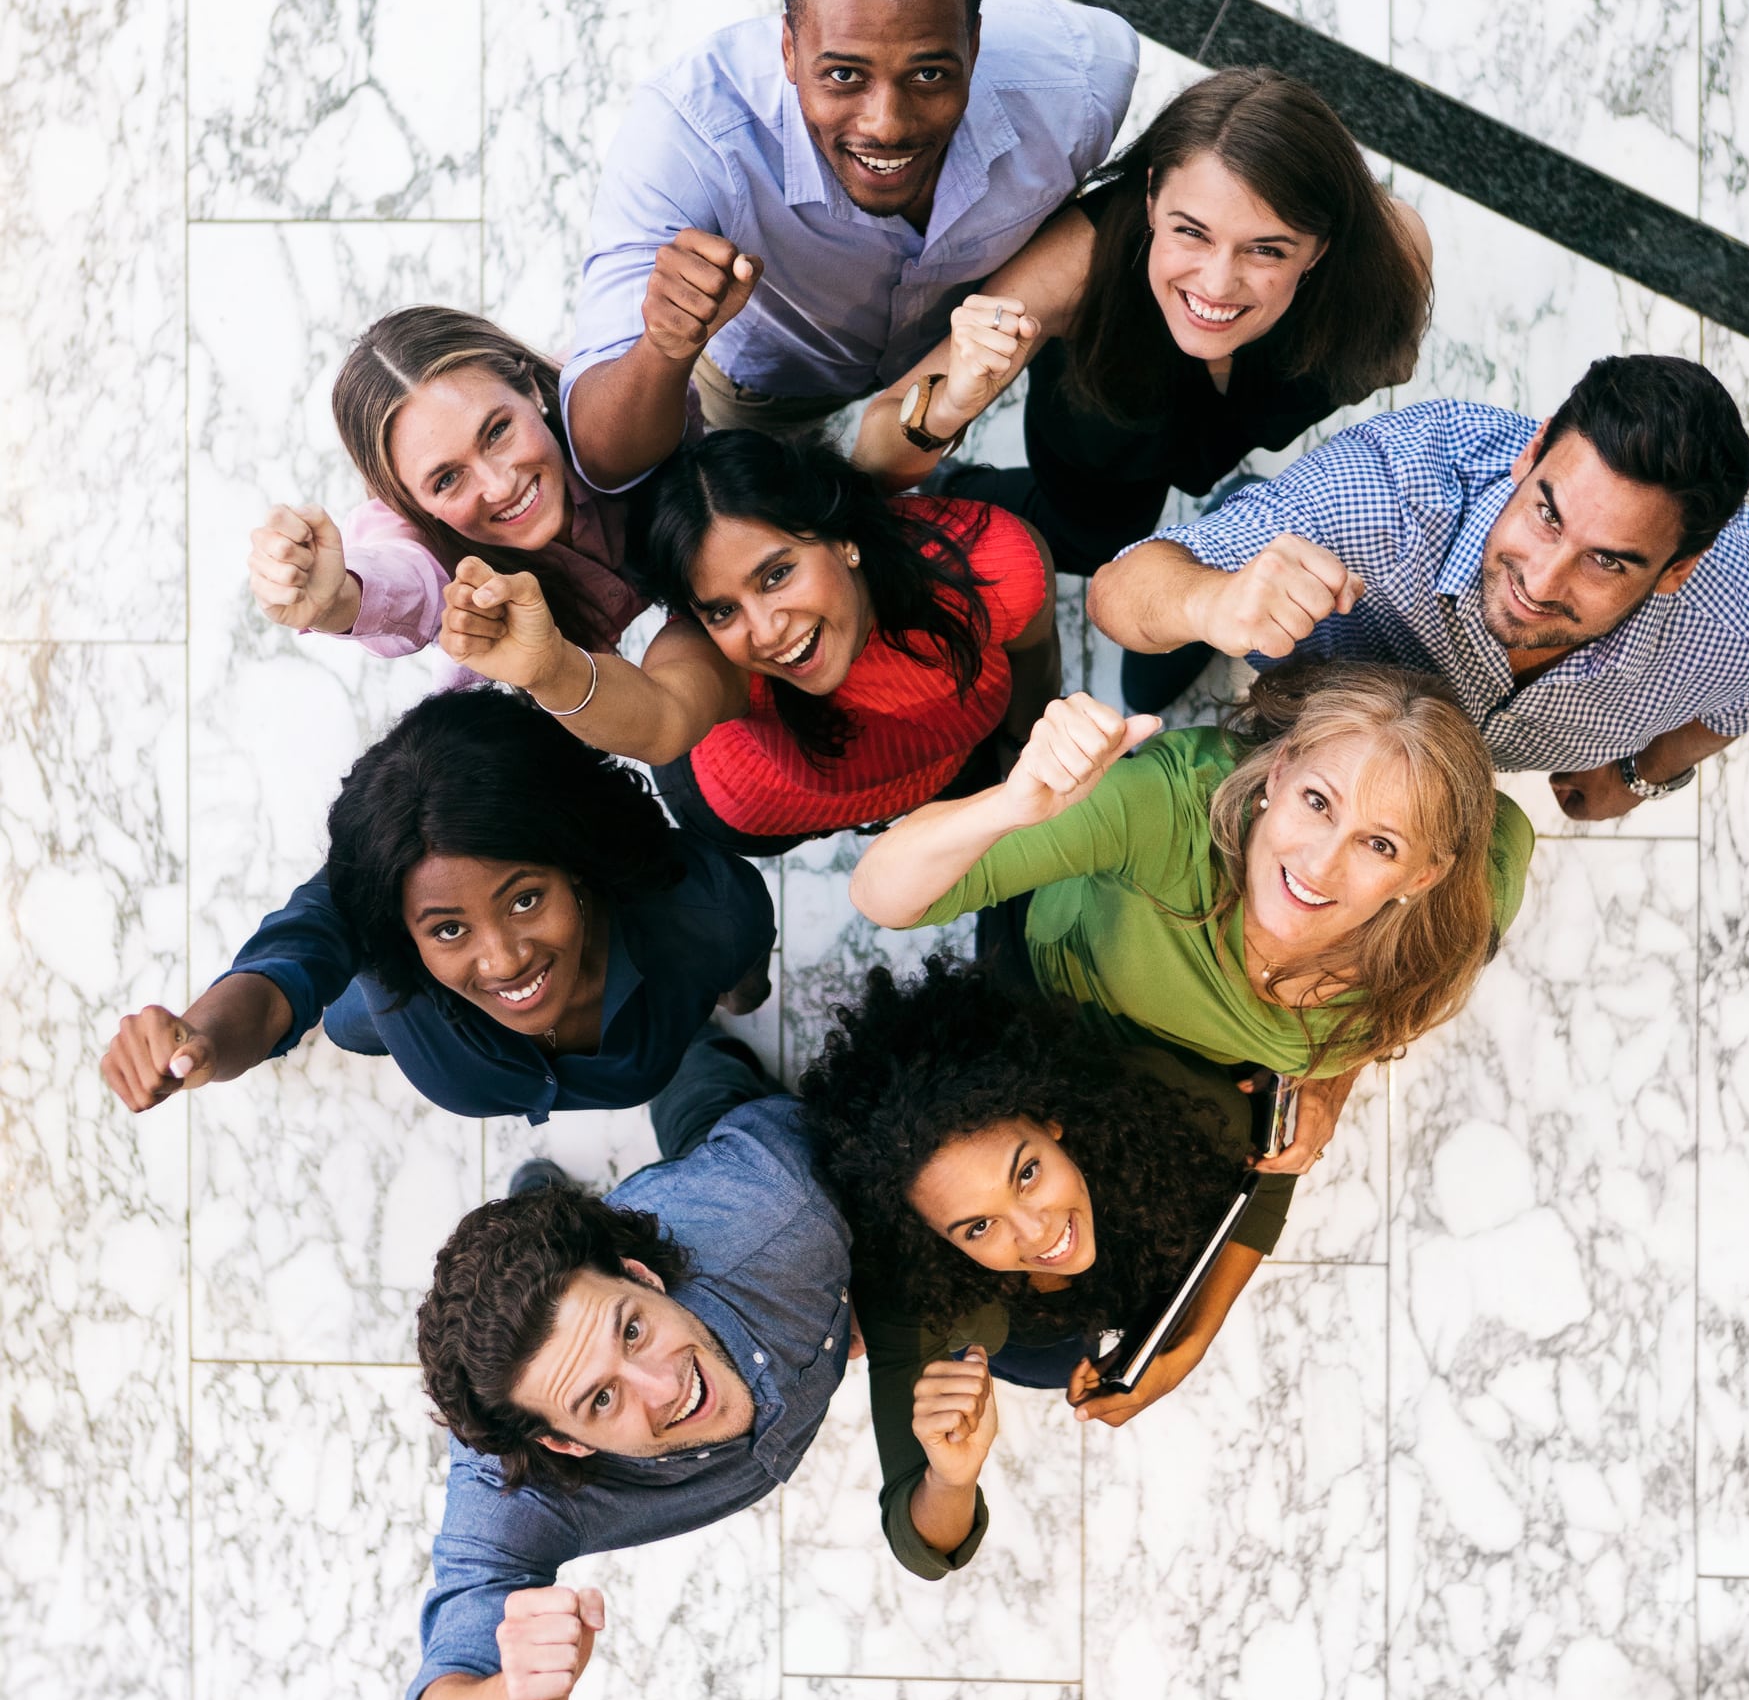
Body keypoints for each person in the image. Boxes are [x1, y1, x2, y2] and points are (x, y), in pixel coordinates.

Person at [852, 67, 1432, 711]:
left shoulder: (1389, 254)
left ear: (1320, 249)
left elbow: (1391, 357)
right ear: (1152, 197)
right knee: (1085, 535)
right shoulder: (1076, 266)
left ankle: (1230, 511)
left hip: (1231, 434)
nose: (1216, 284)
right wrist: (952, 402)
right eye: (1191, 231)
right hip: (1106, 438)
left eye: (1266, 250)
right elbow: (872, 457)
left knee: (1154, 666)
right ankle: (955, 486)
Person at [849, 664, 1533, 1189]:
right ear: (1281, 767)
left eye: (1379, 844)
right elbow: (880, 895)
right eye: (1317, 801)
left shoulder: (1448, 929)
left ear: (1423, 877)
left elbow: (1510, 828)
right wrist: (1010, 804)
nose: (1320, 866)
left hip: (1197, 1072)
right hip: (1053, 991)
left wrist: (1332, 1080)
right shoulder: (1168, 811)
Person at [560, 0, 1137, 488]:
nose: (886, 125)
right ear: (787, 47)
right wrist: (664, 348)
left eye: (930, 74)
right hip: (769, 382)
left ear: (974, 44)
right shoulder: (689, 136)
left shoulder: (1082, 85)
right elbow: (602, 457)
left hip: (958, 354)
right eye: (843, 74)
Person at [405, 1028, 852, 1700]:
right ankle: (540, 1193)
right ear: (561, 1441)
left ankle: (681, 1050)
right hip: (632, 1243)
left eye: (634, 1328)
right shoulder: (519, 1483)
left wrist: (854, 1301)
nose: (663, 1386)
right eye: (601, 1399)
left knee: (700, 1080)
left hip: (718, 1188)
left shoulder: (784, 1207)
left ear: (641, 1273)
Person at [1086, 355, 1749, 818]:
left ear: (1678, 570)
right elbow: (1117, 592)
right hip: (1301, 665)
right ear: (1531, 452)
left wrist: (1642, 771)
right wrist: (1210, 601)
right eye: (1546, 513)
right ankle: (1236, 520)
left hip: (1402, 777)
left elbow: (1742, 696)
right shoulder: (1382, 499)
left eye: (1608, 562)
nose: (1541, 578)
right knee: (1166, 642)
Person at [799, 958, 1298, 1575]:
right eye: (978, 1227)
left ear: (1048, 1121)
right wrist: (951, 1479)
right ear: (925, 1236)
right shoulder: (910, 1288)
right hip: (1020, 1334)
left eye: (1028, 1172)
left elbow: (1269, 1177)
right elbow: (923, 1545)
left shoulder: (1166, 1104)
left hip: (1131, 1263)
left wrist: (1189, 1342)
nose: (1039, 1232)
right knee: (1044, 1363)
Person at [98, 689, 773, 1124]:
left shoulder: (709, 909)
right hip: (387, 1009)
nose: (505, 959)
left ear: (576, 856)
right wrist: (208, 1036)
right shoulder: (379, 902)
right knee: (345, 1018)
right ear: (398, 927)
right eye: (448, 928)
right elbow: (287, 970)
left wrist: (733, 991)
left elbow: (738, 962)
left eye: (526, 898)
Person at [434, 430, 1060, 857]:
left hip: (953, 766)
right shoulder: (712, 658)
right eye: (723, 609)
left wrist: (1025, 751)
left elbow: (1035, 659)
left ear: (841, 535)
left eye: (777, 574)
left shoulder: (992, 561)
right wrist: (550, 670)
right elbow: (661, 720)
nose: (766, 633)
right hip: (753, 811)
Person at [246, 306, 650, 671]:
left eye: (497, 431)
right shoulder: (408, 536)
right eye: (447, 479)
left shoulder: (609, 386)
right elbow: (403, 583)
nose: (499, 486)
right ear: (408, 504)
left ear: (528, 388)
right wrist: (335, 602)